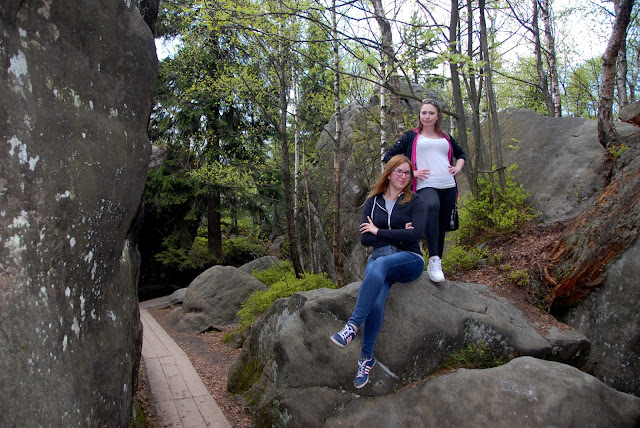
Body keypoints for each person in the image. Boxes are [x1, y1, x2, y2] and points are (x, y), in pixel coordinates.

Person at [330, 155, 426, 389]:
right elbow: (365, 239)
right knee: (376, 298)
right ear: (389, 173)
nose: (403, 176)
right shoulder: (372, 202)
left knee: (379, 265)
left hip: (409, 259)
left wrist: (379, 231)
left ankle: (352, 326)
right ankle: (366, 359)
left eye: (407, 173)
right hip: (379, 258)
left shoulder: (416, 201)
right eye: (398, 171)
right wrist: (398, 231)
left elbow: (415, 235)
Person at [383, 99, 466, 283]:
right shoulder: (411, 136)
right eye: (424, 113)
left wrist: (457, 167)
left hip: (448, 185)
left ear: (438, 116)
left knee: (441, 225)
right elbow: (388, 157)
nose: (427, 116)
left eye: (431, 113)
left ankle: (436, 262)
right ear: (419, 115)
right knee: (431, 206)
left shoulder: (445, 137)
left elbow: (461, 155)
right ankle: (434, 258)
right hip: (425, 184)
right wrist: (411, 172)